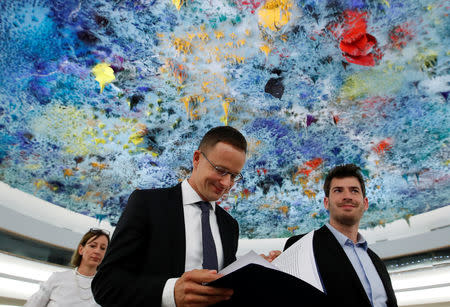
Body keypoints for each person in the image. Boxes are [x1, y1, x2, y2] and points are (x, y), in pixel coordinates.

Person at [93, 126, 260, 307]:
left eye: (234, 176)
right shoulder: (147, 204)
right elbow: (105, 284)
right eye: (220, 170)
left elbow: (225, 291)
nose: (226, 183)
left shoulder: (230, 226)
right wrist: (170, 293)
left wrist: (257, 273)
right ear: (196, 159)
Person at [284, 164, 397, 307]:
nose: (347, 196)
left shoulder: (377, 261)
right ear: (326, 202)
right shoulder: (300, 247)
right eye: (338, 190)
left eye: (354, 191)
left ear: (365, 203)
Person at [25, 228, 110, 307]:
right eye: (93, 246)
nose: (97, 251)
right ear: (81, 249)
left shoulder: (105, 287)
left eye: (103, 248)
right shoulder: (57, 278)